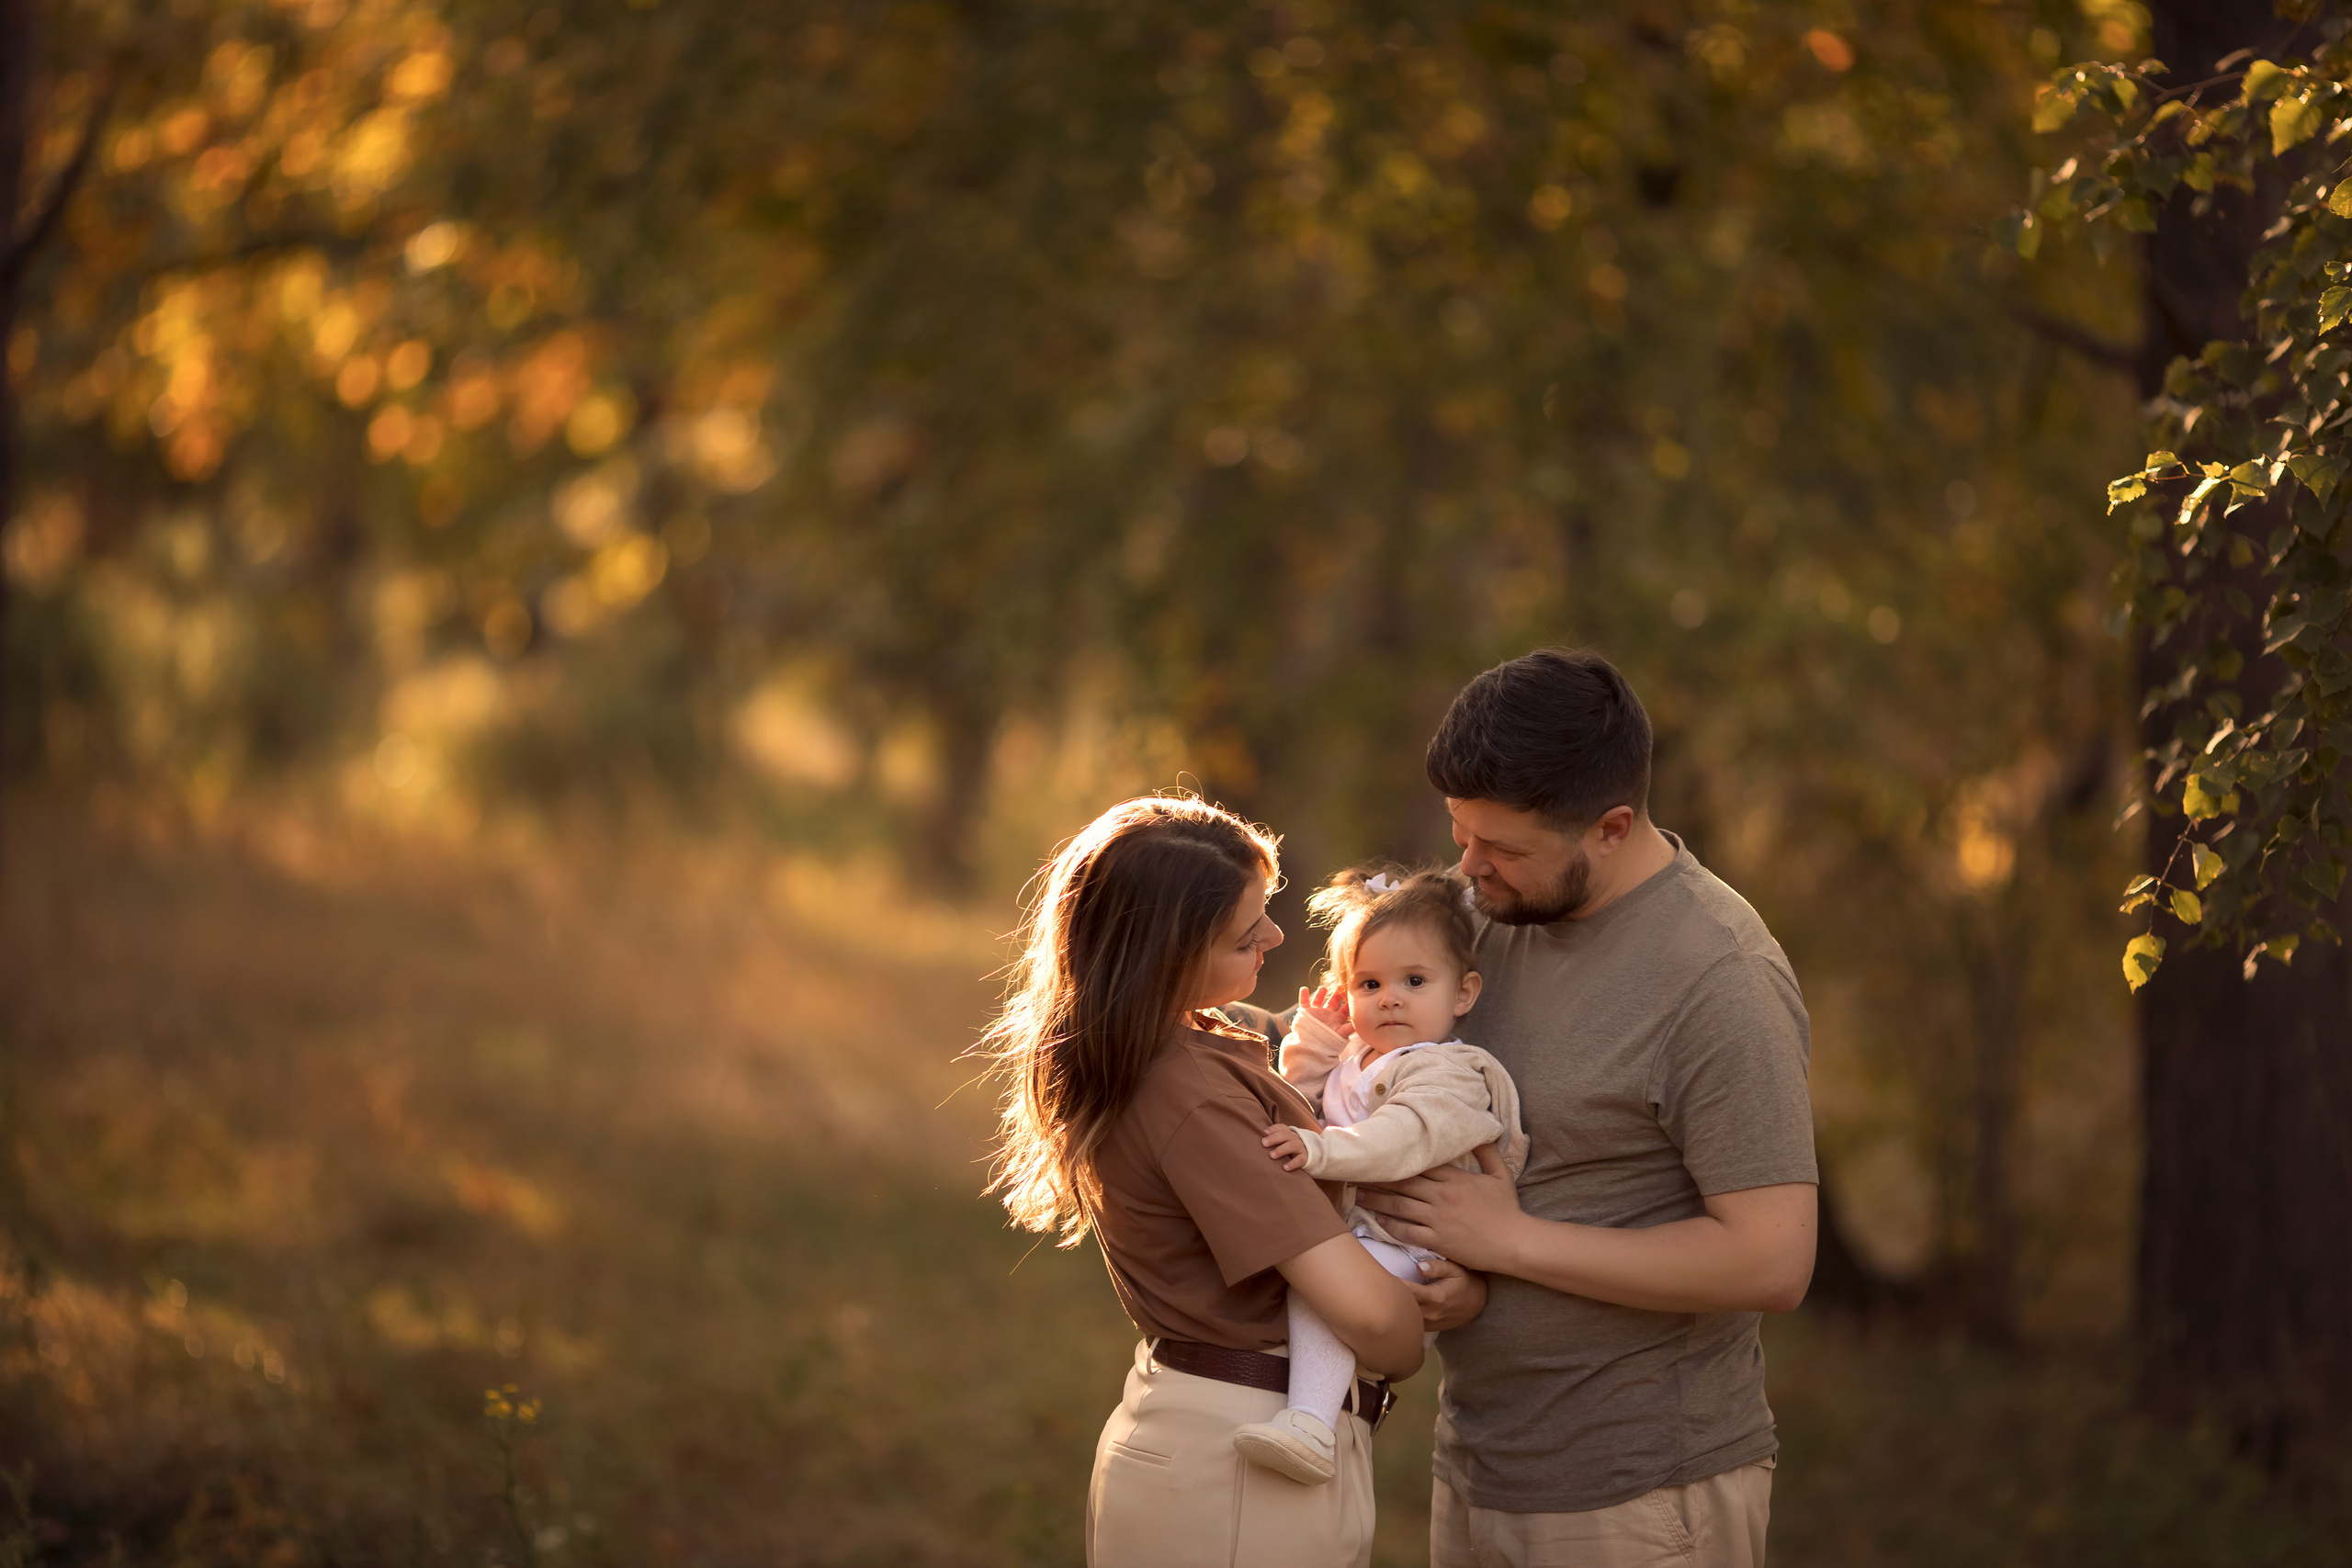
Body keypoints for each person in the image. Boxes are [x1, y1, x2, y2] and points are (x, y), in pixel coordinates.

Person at [1350, 649, 1818, 1568]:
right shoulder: (1478, 921)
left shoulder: (1718, 978)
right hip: (1479, 1466)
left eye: (1504, 849)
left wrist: (1508, 1243)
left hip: (1642, 1500)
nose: (1469, 869)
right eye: (1460, 833)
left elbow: (1772, 1259)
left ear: (1610, 828)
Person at [976, 795, 1425, 1568]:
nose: (1277, 939)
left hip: (1222, 1442)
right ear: (1169, 955)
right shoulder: (1195, 1093)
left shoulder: (1186, 1042)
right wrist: (1423, 1318)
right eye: (1248, 936)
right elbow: (1374, 1319)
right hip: (1240, 1466)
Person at [1232, 863, 1530, 1487]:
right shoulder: (1359, 1059)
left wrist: (1320, 1151)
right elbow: (1297, 1104)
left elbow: (1400, 1140)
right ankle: (1319, 1408)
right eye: (1369, 983)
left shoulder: (1446, 1070)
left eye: (1414, 980)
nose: (1389, 996)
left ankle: (1311, 1424)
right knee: (1317, 1286)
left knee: (1326, 1289)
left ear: (1463, 992)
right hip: (1370, 1231)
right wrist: (1314, 1050)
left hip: (1414, 1247)